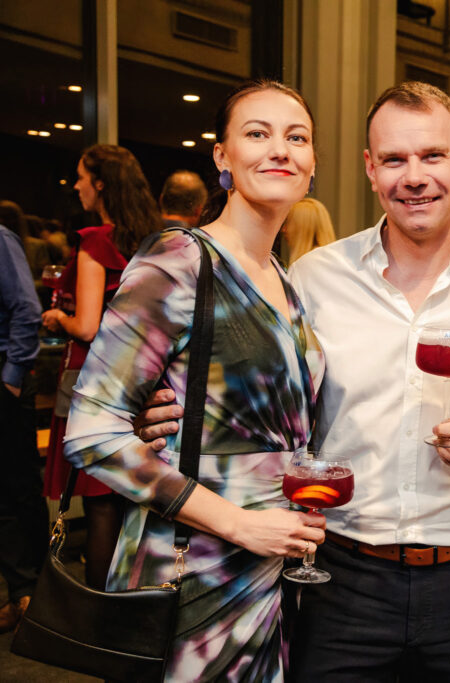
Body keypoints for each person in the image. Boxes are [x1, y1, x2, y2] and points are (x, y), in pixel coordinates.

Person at [281, 82, 450, 681]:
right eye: (394, 159)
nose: (415, 177)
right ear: (370, 168)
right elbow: (276, 415)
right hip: (339, 577)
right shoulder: (315, 279)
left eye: (432, 155)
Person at [63, 80, 327, 681]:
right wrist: (239, 523)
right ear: (222, 156)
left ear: (313, 164)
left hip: (274, 568)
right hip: (191, 566)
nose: (279, 149)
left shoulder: (284, 280)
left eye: (297, 138)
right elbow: (92, 431)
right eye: (257, 134)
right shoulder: (178, 259)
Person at [40, 144, 162, 590]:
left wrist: (59, 318)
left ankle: (97, 610)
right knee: (130, 499)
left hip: (95, 380)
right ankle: (129, 602)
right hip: (145, 380)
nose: (76, 186)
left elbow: (88, 327)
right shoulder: (154, 239)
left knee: (99, 501)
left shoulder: (95, 241)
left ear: (101, 183)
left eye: (80, 177)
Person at [0, 210, 47, 633]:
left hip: (4, 374)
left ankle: (31, 593)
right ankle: (24, 591)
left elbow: (27, 310)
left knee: (16, 487)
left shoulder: (1, 239)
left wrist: (11, 378)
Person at [280, 196, 335, 267]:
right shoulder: (332, 260)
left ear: (302, 228)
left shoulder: (306, 264)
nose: (283, 230)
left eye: (288, 222)